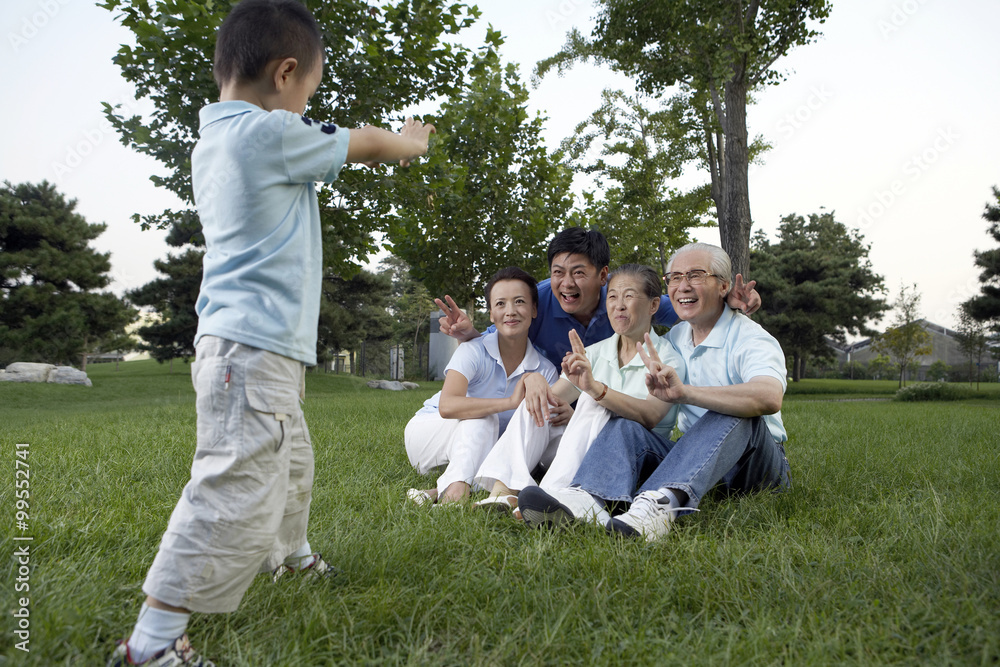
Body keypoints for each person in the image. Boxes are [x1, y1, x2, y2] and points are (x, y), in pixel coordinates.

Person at [109, 1, 436, 665]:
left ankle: (290, 556)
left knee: (290, 459)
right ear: (286, 73)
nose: (307, 106)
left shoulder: (216, 138)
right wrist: (409, 139)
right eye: (309, 91)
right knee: (232, 482)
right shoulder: (262, 134)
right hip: (250, 349)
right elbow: (365, 143)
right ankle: (153, 641)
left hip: (251, 346)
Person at [517, 243, 791, 542]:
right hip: (697, 457)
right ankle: (587, 498)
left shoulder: (751, 338)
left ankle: (657, 507)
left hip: (754, 465)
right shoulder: (676, 336)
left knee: (735, 413)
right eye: (674, 277)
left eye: (696, 275)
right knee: (624, 426)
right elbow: (640, 309)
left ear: (724, 284)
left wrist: (686, 393)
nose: (682, 285)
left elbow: (768, 397)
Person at [435, 227, 761, 428]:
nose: (566, 283)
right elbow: (498, 339)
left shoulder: (624, 303)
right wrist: (471, 336)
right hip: (544, 393)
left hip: (601, 402)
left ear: (602, 276)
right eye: (558, 271)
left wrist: (728, 298)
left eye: (579, 272)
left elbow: (684, 305)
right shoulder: (538, 300)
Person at [472, 265, 684, 514]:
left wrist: (596, 390)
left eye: (629, 296)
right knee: (540, 400)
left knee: (594, 402)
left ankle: (552, 496)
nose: (619, 305)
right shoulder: (593, 352)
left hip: (635, 456)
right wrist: (536, 382)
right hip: (585, 450)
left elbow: (650, 416)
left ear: (654, 305)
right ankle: (504, 491)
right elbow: (553, 398)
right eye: (613, 297)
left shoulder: (668, 359)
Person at [404, 267, 559, 505]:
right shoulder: (473, 349)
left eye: (519, 302)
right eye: (500, 304)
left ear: (534, 309)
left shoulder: (545, 370)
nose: (510, 311)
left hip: (481, 446)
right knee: (484, 418)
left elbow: (539, 429)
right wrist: (508, 403)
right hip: (432, 433)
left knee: (497, 434)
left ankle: (440, 493)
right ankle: (454, 495)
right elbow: (447, 406)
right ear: (491, 314)